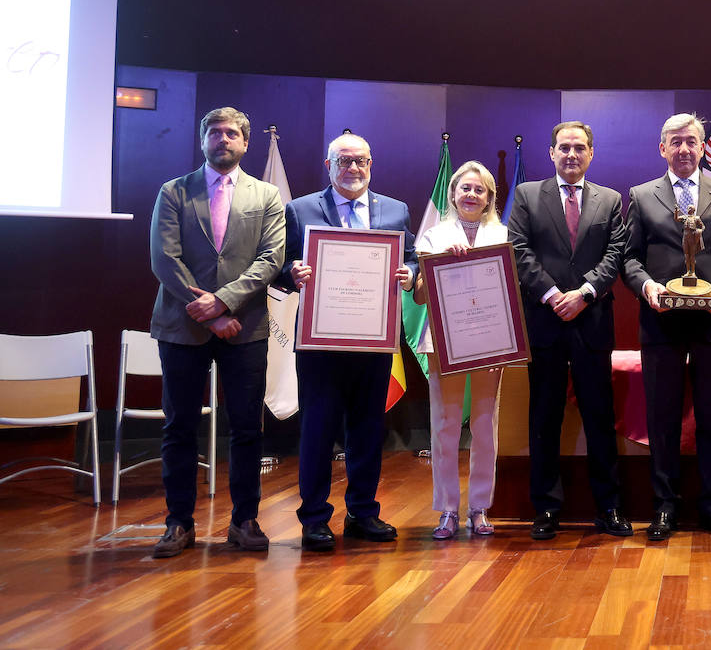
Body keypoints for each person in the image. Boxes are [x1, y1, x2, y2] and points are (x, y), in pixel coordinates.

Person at [149, 106, 285, 557]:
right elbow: (164, 260)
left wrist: (224, 301)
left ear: (245, 143)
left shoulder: (267, 196)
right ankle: (179, 523)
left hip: (244, 327)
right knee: (179, 427)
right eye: (214, 132)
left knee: (247, 428)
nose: (222, 139)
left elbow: (270, 260)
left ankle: (244, 521)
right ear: (203, 139)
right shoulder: (174, 192)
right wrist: (209, 313)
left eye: (231, 134)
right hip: (183, 326)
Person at [280, 132, 416, 552]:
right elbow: (280, 263)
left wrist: (410, 273)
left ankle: (363, 512)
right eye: (344, 161)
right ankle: (315, 517)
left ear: (371, 164)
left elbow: (408, 256)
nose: (353, 169)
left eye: (360, 161)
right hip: (320, 342)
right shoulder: (300, 209)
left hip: (373, 341)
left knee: (368, 428)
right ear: (329, 166)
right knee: (318, 429)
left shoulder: (395, 211)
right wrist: (293, 273)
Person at [622, 113, 711, 541]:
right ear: (662, 148)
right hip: (661, 321)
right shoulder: (641, 196)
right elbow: (629, 258)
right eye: (674, 142)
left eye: (690, 141)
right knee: (662, 416)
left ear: (702, 148)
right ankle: (664, 507)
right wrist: (647, 289)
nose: (683, 149)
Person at [507, 122, 631, 540]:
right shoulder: (527, 196)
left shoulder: (611, 200)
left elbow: (616, 253)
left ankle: (609, 507)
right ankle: (545, 509)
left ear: (592, 153)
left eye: (580, 148)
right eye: (564, 148)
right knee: (545, 417)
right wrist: (552, 295)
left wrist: (584, 293)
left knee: (600, 418)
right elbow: (519, 250)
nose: (572, 155)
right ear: (551, 152)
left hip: (592, 322)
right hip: (545, 322)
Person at [413, 161, 506, 538]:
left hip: (489, 342)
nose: (471, 195)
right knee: (445, 425)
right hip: (443, 343)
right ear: (452, 194)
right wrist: (440, 263)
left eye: (479, 190)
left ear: (488, 199)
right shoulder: (433, 236)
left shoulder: (503, 235)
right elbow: (419, 295)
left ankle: (480, 507)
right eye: (465, 188)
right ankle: (448, 509)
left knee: (485, 426)